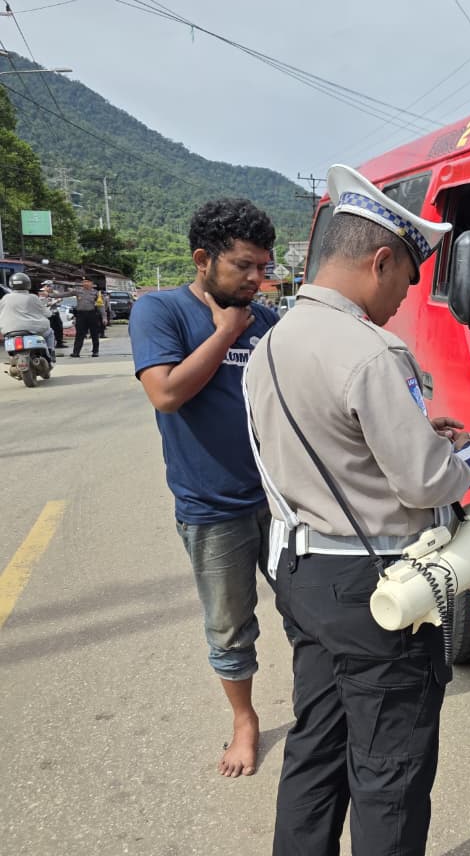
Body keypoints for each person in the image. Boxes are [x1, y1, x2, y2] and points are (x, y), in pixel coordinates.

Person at [244, 164, 470, 856]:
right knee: (390, 772)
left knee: (316, 747)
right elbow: (426, 483)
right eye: (406, 277)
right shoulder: (373, 351)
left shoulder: (269, 344)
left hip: (303, 575)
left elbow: (323, 442)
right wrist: (468, 455)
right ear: (380, 260)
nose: (405, 296)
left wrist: (412, 435)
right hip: (375, 590)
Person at [129, 199, 278, 778]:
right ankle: (244, 720)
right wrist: (225, 333)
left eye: (263, 266)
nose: (256, 278)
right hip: (211, 507)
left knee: (310, 609)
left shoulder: (268, 321)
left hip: (281, 501)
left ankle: (325, 708)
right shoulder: (160, 310)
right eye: (244, 265)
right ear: (202, 259)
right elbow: (166, 394)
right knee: (230, 626)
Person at [0, 272, 57, 352]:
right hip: (32, 330)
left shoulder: (5, 298)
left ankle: (12, 356)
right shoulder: (33, 298)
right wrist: (50, 313)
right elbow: (47, 313)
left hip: (9, 331)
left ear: (11, 284)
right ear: (28, 284)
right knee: (50, 332)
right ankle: (51, 351)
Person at [68, 278, 103, 357]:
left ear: (92, 283)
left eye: (88, 282)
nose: (86, 283)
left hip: (92, 314)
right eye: (84, 282)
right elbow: (65, 294)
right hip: (81, 315)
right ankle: (76, 352)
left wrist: (104, 317)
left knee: (94, 333)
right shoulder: (78, 291)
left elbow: (101, 306)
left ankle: (95, 351)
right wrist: (50, 295)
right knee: (79, 334)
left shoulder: (96, 293)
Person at [40, 281, 65, 348]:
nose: (50, 287)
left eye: (51, 286)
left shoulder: (54, 292)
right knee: (49, 329)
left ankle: (59, 342)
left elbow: (61, 298)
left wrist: (59, 297)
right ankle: (49, 344)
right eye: (48, 286)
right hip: (48, 314)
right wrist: (56, 300)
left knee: (59, 327)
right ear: (45, 286)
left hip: (55, 312)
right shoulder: (42, 293)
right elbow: (46, 304)